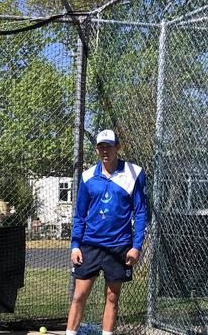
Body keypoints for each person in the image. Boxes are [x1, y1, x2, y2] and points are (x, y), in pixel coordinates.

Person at [66, 129, 147, 335]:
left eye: (109, 146)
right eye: (101, 147)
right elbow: (80, 214)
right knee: (78, 296)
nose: (105, 151)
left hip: (119, 246)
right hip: (90, 245)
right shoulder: (87, 177)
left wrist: (136, 246)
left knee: (112, 297)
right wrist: (75, 245)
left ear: (117, 147)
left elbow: (139, 213)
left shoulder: (134, 173)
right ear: (96, 149)